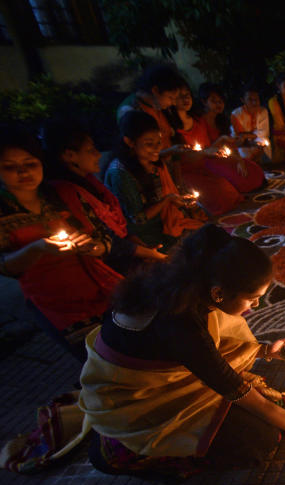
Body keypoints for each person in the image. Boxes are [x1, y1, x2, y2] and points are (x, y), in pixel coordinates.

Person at [79, 225, 285, 477]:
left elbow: (216, 345)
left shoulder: (185, 284)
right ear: (218, 293)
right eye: (252, 298)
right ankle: (131, 451)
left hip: (170, 365)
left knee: (268, 409)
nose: (256, 304)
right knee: (259, 441)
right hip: (139, 403)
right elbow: (248, 397)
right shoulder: (182, 326)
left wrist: (266, 351)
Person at [0, 127, 123, 360]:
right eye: (9, 167)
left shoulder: (64, 193)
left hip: (100, 286)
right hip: (55, 302)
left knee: (134, 350)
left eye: (30, 163)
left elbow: (105, 235)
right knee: (98, 362)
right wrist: (37, 248)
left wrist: (97, 247)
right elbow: (5, 266)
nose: (23, 171)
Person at [44, 121, 166, 274]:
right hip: (104, 265)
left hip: (126, 246)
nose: (98, 154)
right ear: (70, 156)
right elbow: (102, 238)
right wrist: (151, 254)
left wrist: (136, 243)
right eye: (91, 150)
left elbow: (116, 227)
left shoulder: (89, 181)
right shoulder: (67, 192)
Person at [105, 111, 206, 248]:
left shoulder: (151, 161)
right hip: (141, 233)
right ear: (129, 142)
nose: (157, 148)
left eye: (159, 142)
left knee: (208, 234)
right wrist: (168, 200)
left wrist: (177, 200)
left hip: (163, 222)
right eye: (149, 144)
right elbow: (138, 219)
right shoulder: (120, 174)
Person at [171, 84, 264, 202]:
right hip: (209, 161)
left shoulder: (218, 121)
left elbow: (228, 145)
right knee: (232, 185)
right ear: (204, 102)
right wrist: (222, 142)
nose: (218, 104)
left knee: (253, 170)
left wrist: (238, 158)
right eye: (214, 101)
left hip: (219, 157)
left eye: (220, 101)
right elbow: (207, 149)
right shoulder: (199, 121)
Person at [168, 84, 243, 217]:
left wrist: (220, 148)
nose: (186, 99)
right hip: (187, 172)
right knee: (220, 198)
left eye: (188, 95)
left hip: (204, 167)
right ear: (172, 99)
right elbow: (178, 159)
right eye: (181, 96)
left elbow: (208, 148)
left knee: (230, 193)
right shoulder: (171, 127)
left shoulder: (198, 121)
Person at [117, 65, 183, 151]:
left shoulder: (160, 107)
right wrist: (169, 152)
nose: (173, 103)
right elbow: (140, 152)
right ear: (155, 90)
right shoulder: (129, 111)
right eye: (170, 98)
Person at [230, 84, 271, 162]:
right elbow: (238, 136)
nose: (254, 102)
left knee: (263, 141)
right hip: (242, 144)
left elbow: (264, 132)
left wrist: (246, 136)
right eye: (250, 99)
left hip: (256, 141)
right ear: (243, 100)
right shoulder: (236, 114)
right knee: (243, 152)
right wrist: (248, 138)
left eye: (256, 99)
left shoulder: (263, 111)